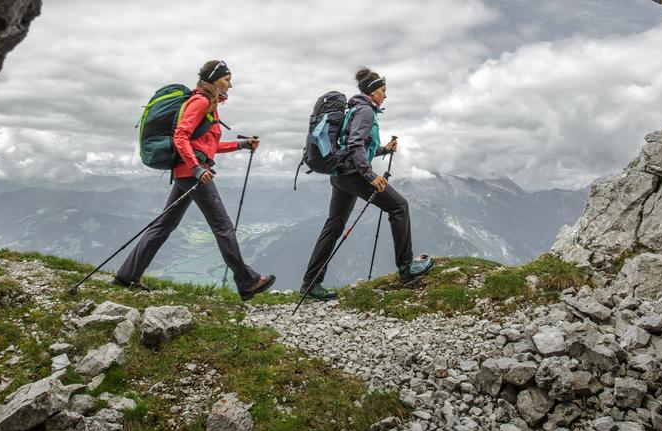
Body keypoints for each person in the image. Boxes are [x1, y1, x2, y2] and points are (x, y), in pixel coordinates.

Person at [115, 60, 276, 300]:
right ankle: (247, 280)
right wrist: (197, 169)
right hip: (194, 174)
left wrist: (240, 144)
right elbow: (181, 136)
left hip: (188, 173)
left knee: (164, 225)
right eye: (226, 79)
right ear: (213, 79)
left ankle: (127, 276)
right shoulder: (200, 102)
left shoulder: (209, 105)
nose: (230, 84)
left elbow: (207, 146)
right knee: (223, 227)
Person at [300, 68, 434, 300]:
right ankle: (406, 268)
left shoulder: (354, 109)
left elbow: (354, 143)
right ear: (372, 92)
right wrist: (370, 175)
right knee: (398, 206)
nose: (385, 95)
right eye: (383, 91)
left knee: (334, 226)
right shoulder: (365, 112)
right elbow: (354, 145)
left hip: (340, 174)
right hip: (355, 174)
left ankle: (310, 284)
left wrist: (383, 150)